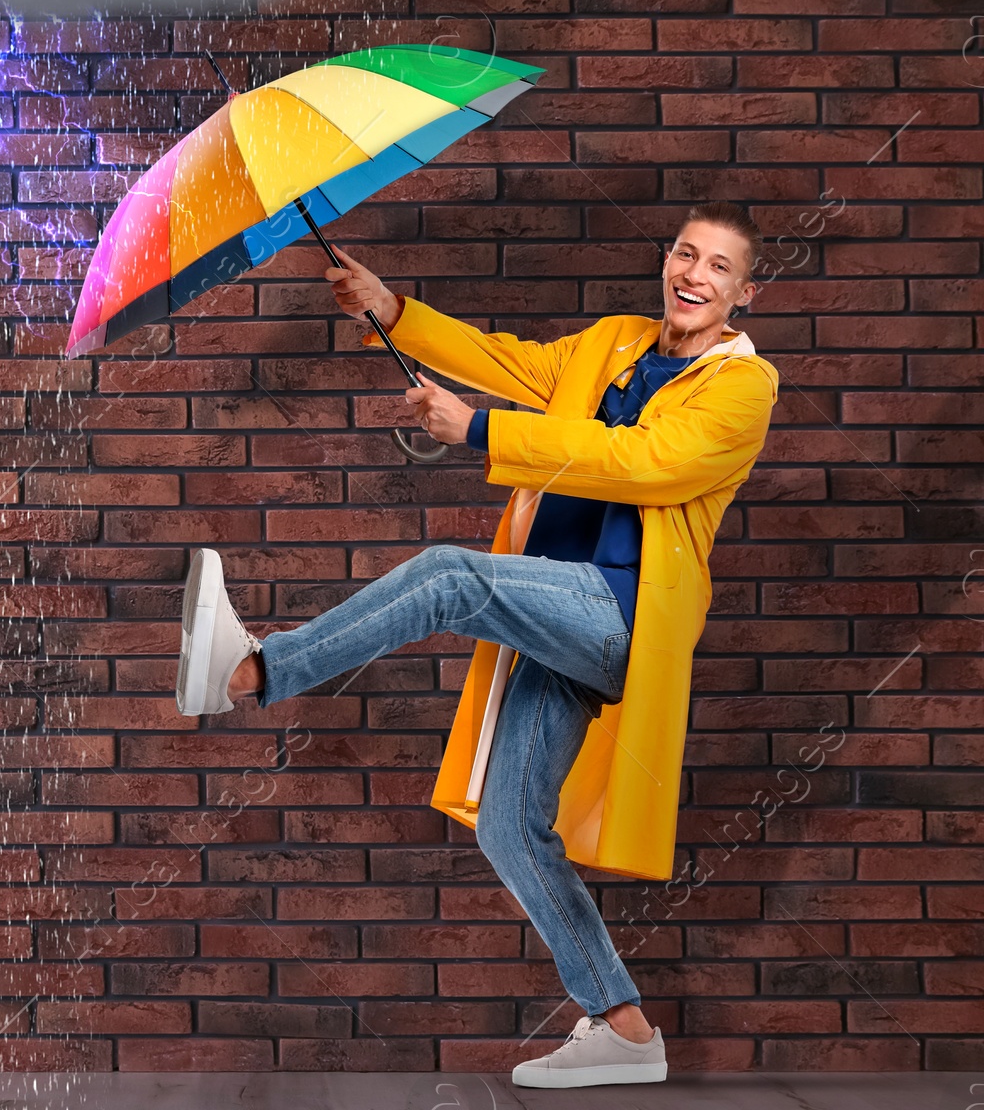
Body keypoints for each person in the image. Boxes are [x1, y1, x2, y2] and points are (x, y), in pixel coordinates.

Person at [174, 201, 779, 1089]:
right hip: (554, 609)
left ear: (742, 292)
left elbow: (644, 463)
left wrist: (481, 430)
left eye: (718, 268)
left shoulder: (742, 387)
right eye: (685, 254)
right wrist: (392, 311)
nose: (694, 275)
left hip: (623, 617)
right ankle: (624, 1029)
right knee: (508, 826)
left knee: (452, 578)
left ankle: (251, 672)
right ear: (667, 261)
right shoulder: (615, 342)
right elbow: (506, 362)